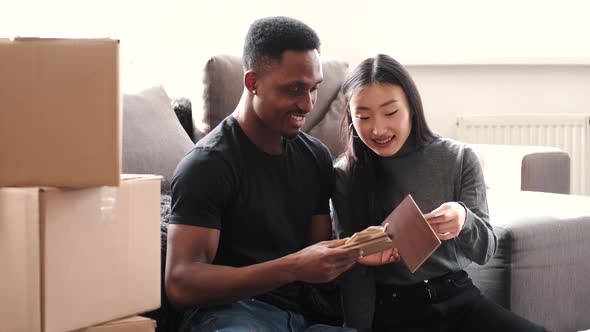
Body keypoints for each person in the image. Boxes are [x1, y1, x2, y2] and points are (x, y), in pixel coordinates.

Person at [165, 16, 361, 332]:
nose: (307, 104)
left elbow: (318, 256)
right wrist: (293, 267)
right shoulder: (206, 166)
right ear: (253, 83)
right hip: (230, 314)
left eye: (314, 89)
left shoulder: (315, 158)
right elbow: (181, 283)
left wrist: (364, 250)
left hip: (302, 317)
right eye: (295, 89)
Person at [331, 54, 549, 332]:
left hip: (457, 296)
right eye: (362, 116)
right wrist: (357, 328)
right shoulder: (345, 175)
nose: (378, 128)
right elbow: (352, 274)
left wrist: (464, 219)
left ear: (411, 106)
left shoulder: (457, 158)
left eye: (390, 112)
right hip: (393, 309)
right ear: (350, 117)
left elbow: (486, 251)